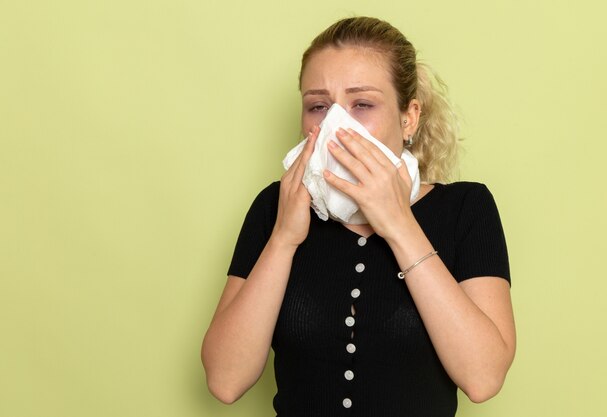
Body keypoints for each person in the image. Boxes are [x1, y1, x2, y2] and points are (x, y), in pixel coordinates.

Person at [201, 16, 515, 417]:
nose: (335, 125)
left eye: (362, 104)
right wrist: (283, 239)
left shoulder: (467, 209)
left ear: (409, 117)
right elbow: (225, 381)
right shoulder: (275, 207)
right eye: (318, 106)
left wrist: (399, 224)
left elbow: (484, 378)